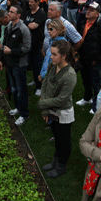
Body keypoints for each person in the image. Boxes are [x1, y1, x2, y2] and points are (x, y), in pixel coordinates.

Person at [39, 40, 77, 178]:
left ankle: (62, 165)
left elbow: (62, 99)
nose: (51, 57)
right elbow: (45, 85)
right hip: (51, 108)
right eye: (51, 54)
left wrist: (43, 104)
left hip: (62, 112)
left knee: (64, 140)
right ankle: (56, 160)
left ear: (64, 56)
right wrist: (45, 107)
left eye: (54, 54)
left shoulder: (70, 75)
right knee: (56, 137)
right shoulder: (52, 66)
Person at [76, 2, 101, 113]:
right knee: (86, 79)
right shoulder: (83, 23)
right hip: (83, 57)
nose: (88, 11)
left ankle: (96, 105)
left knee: (95, 82)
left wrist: (98, 59)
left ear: (97, 14)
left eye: (91, 10)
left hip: (94, 60)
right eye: (87, 9)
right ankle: (87, 98)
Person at [0, 5, 31, 126]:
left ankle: (24, 114)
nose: (9, 14)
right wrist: (1, 59)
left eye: (12, 12)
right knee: (14, 88)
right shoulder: (8, 27)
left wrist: (12, 52)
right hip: (9, 63)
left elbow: (27, 48)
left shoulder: (23, 29)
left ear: (18, 15)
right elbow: (5, 44)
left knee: (21, 90)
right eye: (9, 11)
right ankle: (18, 107)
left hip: (19, 64)